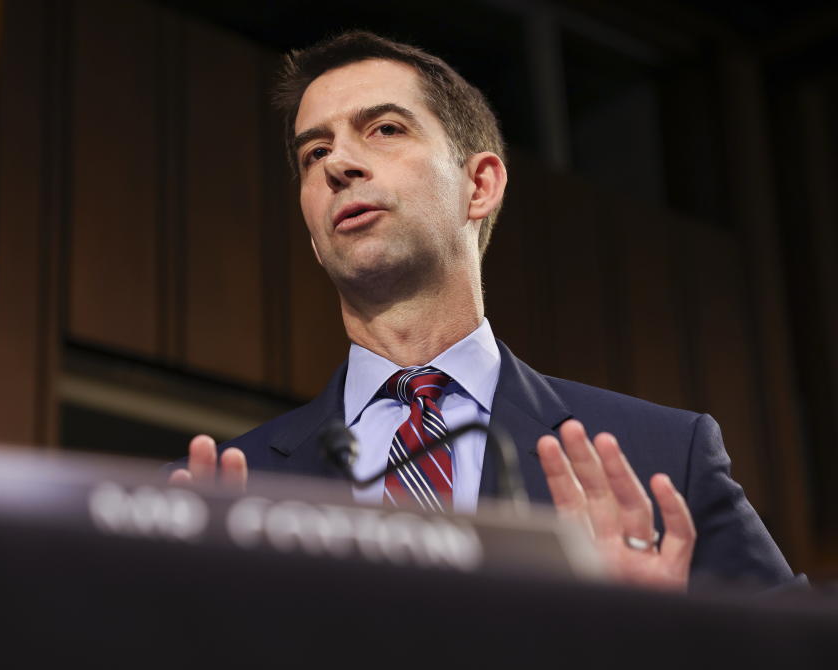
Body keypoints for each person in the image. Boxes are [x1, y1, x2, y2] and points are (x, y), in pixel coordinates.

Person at [170, 31, 799, 592]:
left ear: (480, 185)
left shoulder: (662, 455)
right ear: (313, 232)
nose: (339, 164)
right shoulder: (225, 495)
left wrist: (658, 640)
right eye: (315, 153)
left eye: (385, 128)